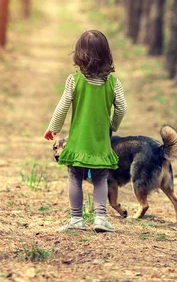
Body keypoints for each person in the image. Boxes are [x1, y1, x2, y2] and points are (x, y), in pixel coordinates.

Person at [44, 30, 127, 233]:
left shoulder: (74, 80)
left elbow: (63, 105)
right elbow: (122, 107)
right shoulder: (114, 83)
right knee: (100, 178)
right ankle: (100, 218)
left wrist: (53, 128)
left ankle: (76, 219)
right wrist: (113, 125)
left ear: (79, 54)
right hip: (100, 141)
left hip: (79, 141)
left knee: (74, 177)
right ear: (106, 54)